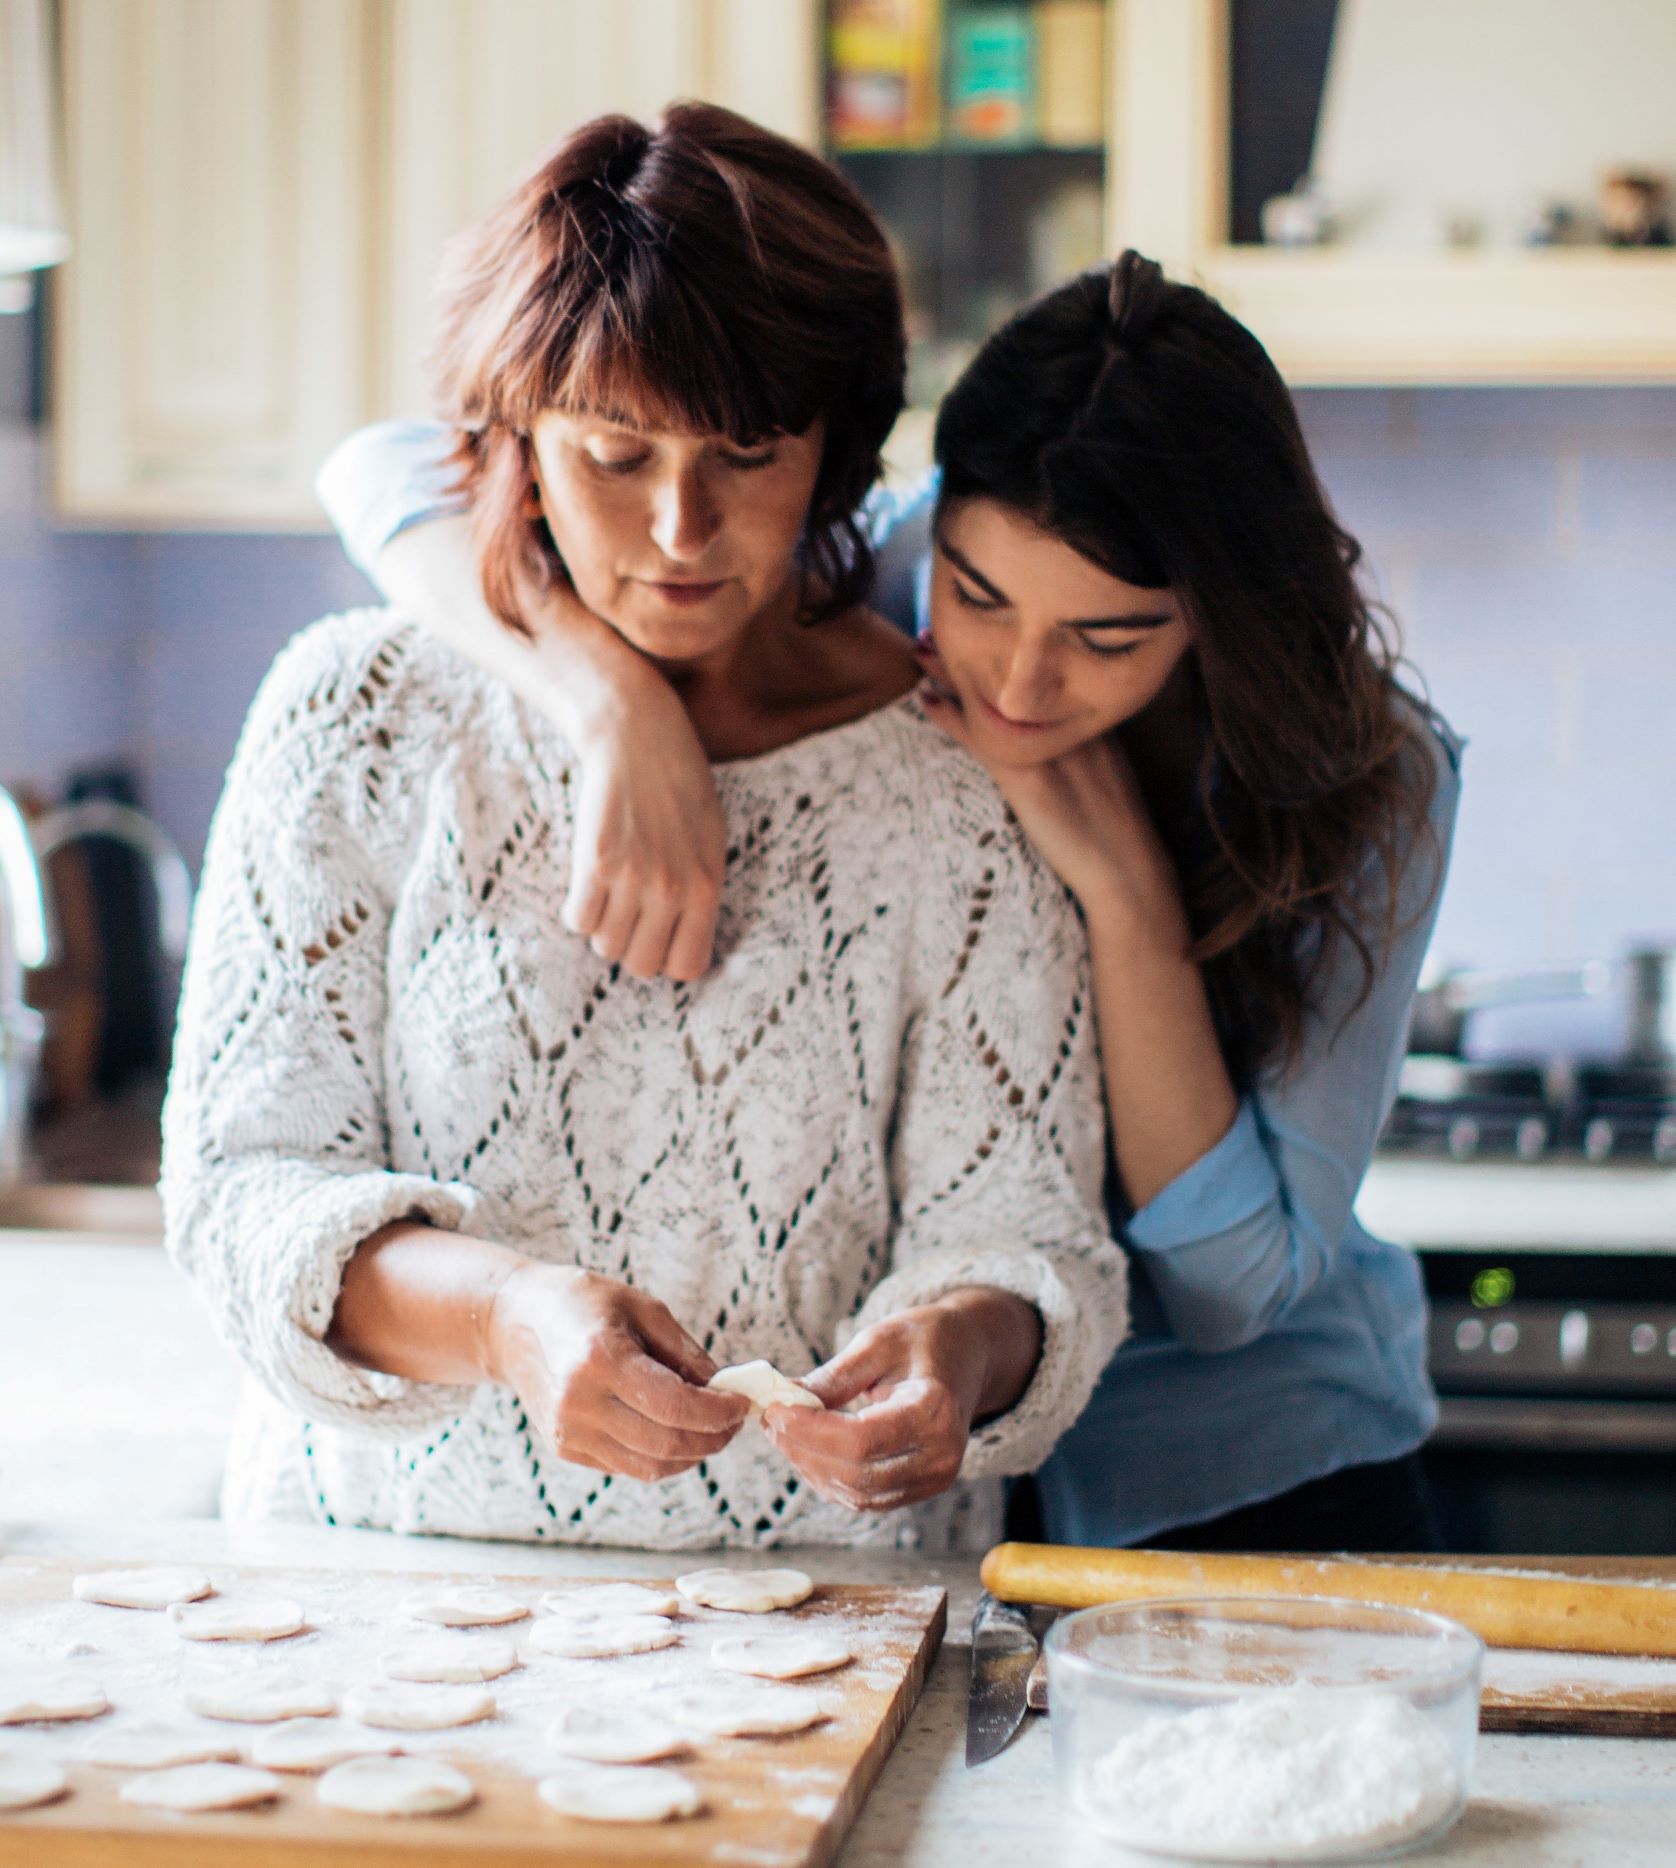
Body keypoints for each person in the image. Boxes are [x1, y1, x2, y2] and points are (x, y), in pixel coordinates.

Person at [319, 251, 1460, 1554]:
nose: (1022, 681)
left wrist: (1126, 898)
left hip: (1241, 1473)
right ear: (935, 515)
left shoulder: (1374, 774)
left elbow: (1232, 1291)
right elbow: (389, 470)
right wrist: (610, 706)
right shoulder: (869, 572)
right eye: (977, 597)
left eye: (1110, 637)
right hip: (928, 1499)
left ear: (1214, 614)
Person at [159, 102, 1125, 1551]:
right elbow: (241, 1193)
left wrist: (960, 1352)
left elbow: (1034, 1236)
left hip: (833, 1621)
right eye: (616, 455)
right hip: (381, 1615)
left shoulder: (957, 779)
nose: (683, 530)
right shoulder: (357, 717)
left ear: (838, 451)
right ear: (514, 442)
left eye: (747, 453)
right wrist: (501, 1320)